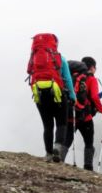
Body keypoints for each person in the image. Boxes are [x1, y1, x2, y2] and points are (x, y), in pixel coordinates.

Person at [27, 33, 76, 163]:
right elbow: (68, 80)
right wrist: (72, 96)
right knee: (61, 123)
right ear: (55, 44)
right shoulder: (61, 59)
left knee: (47, 126)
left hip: (40, 95)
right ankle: (57, 149)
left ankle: (48, 154)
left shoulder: (34, 58)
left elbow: (29, 72)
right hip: (58, 95)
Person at [61, 56, 102, 171]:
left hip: (70, 115)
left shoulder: (71, 76)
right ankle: (88, 166)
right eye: (95, 68)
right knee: (88, 142)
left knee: (67, 140)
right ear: (92, 67)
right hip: (85, 118)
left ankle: (59, 160)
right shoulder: (91, 79)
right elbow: (94, 97)